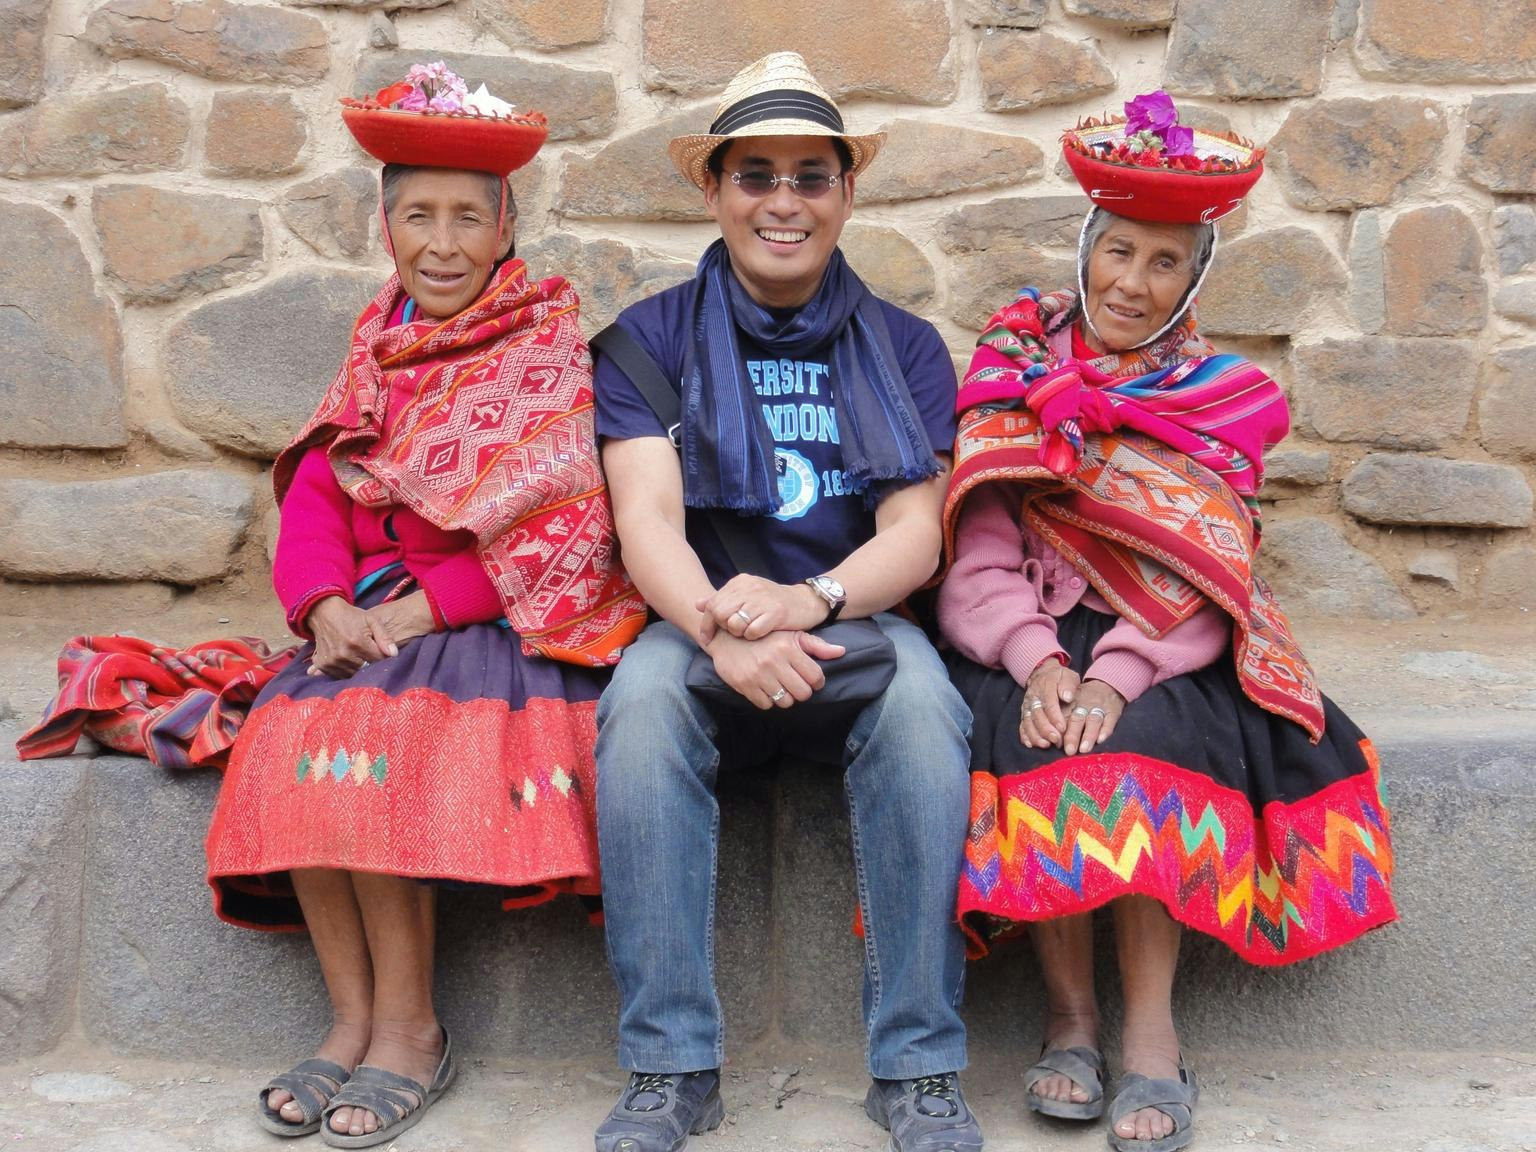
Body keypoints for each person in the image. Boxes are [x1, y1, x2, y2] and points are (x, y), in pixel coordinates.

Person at [936, 94, 1397, 1152]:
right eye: (1119, 252)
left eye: (1162, 264)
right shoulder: (1013, 363)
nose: (1131, 284)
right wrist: (1037, 660)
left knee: (1137, 749)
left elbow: (1214, 578)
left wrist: (1120, 675)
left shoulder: (1219, 395)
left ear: (1195, 280)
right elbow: (979, 544)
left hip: (1164, 650)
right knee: (1030, 733)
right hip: (1032, 634)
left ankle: (1150, 1034)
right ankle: (1070, 1020)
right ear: (1087, 248)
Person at [204, 63, 646, 1147]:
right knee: (289, 729)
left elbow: (562, 530)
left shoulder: (541, 346)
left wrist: (419, 611)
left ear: (505, 228)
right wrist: (315, 605)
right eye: (417, 216)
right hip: (357, 615)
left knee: (371, 735)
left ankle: (411, 1032)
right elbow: (317, 486)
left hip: (484, 626)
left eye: (465, 218)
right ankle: (347, 1021)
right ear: (385, 224)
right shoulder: (376, 342)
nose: (441, 243)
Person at [589, 52, 983, 1152]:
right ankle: (669, 1067)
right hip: (700, 626)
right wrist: (723, 627)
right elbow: (647, 525)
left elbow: (917, 533)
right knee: (644, 702)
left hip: (844, 619)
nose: (784, 201)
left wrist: (808, 604)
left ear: (847, 194)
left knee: (919, 706)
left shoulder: (904, 348)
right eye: (755, 175)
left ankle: (918, 1069)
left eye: (812, 176)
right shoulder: (647, 340)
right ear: (713, 191)